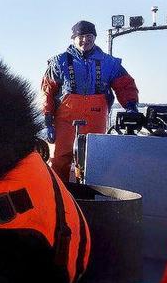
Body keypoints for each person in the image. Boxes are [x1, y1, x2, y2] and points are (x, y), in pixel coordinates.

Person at [41, 20, 139, 182]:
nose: (85, 40)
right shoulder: (59, 62)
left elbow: (125, 85)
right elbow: (47, 92)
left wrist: (131, 106)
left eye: (89, 36)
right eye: (81, 36)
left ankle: (93, 195)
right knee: (59, 158)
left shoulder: (110, 63)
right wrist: (47, 119)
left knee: (94, 158)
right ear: (73, 39)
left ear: (94, 38)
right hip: (65, 120)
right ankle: (60, 196)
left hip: (96, 118)